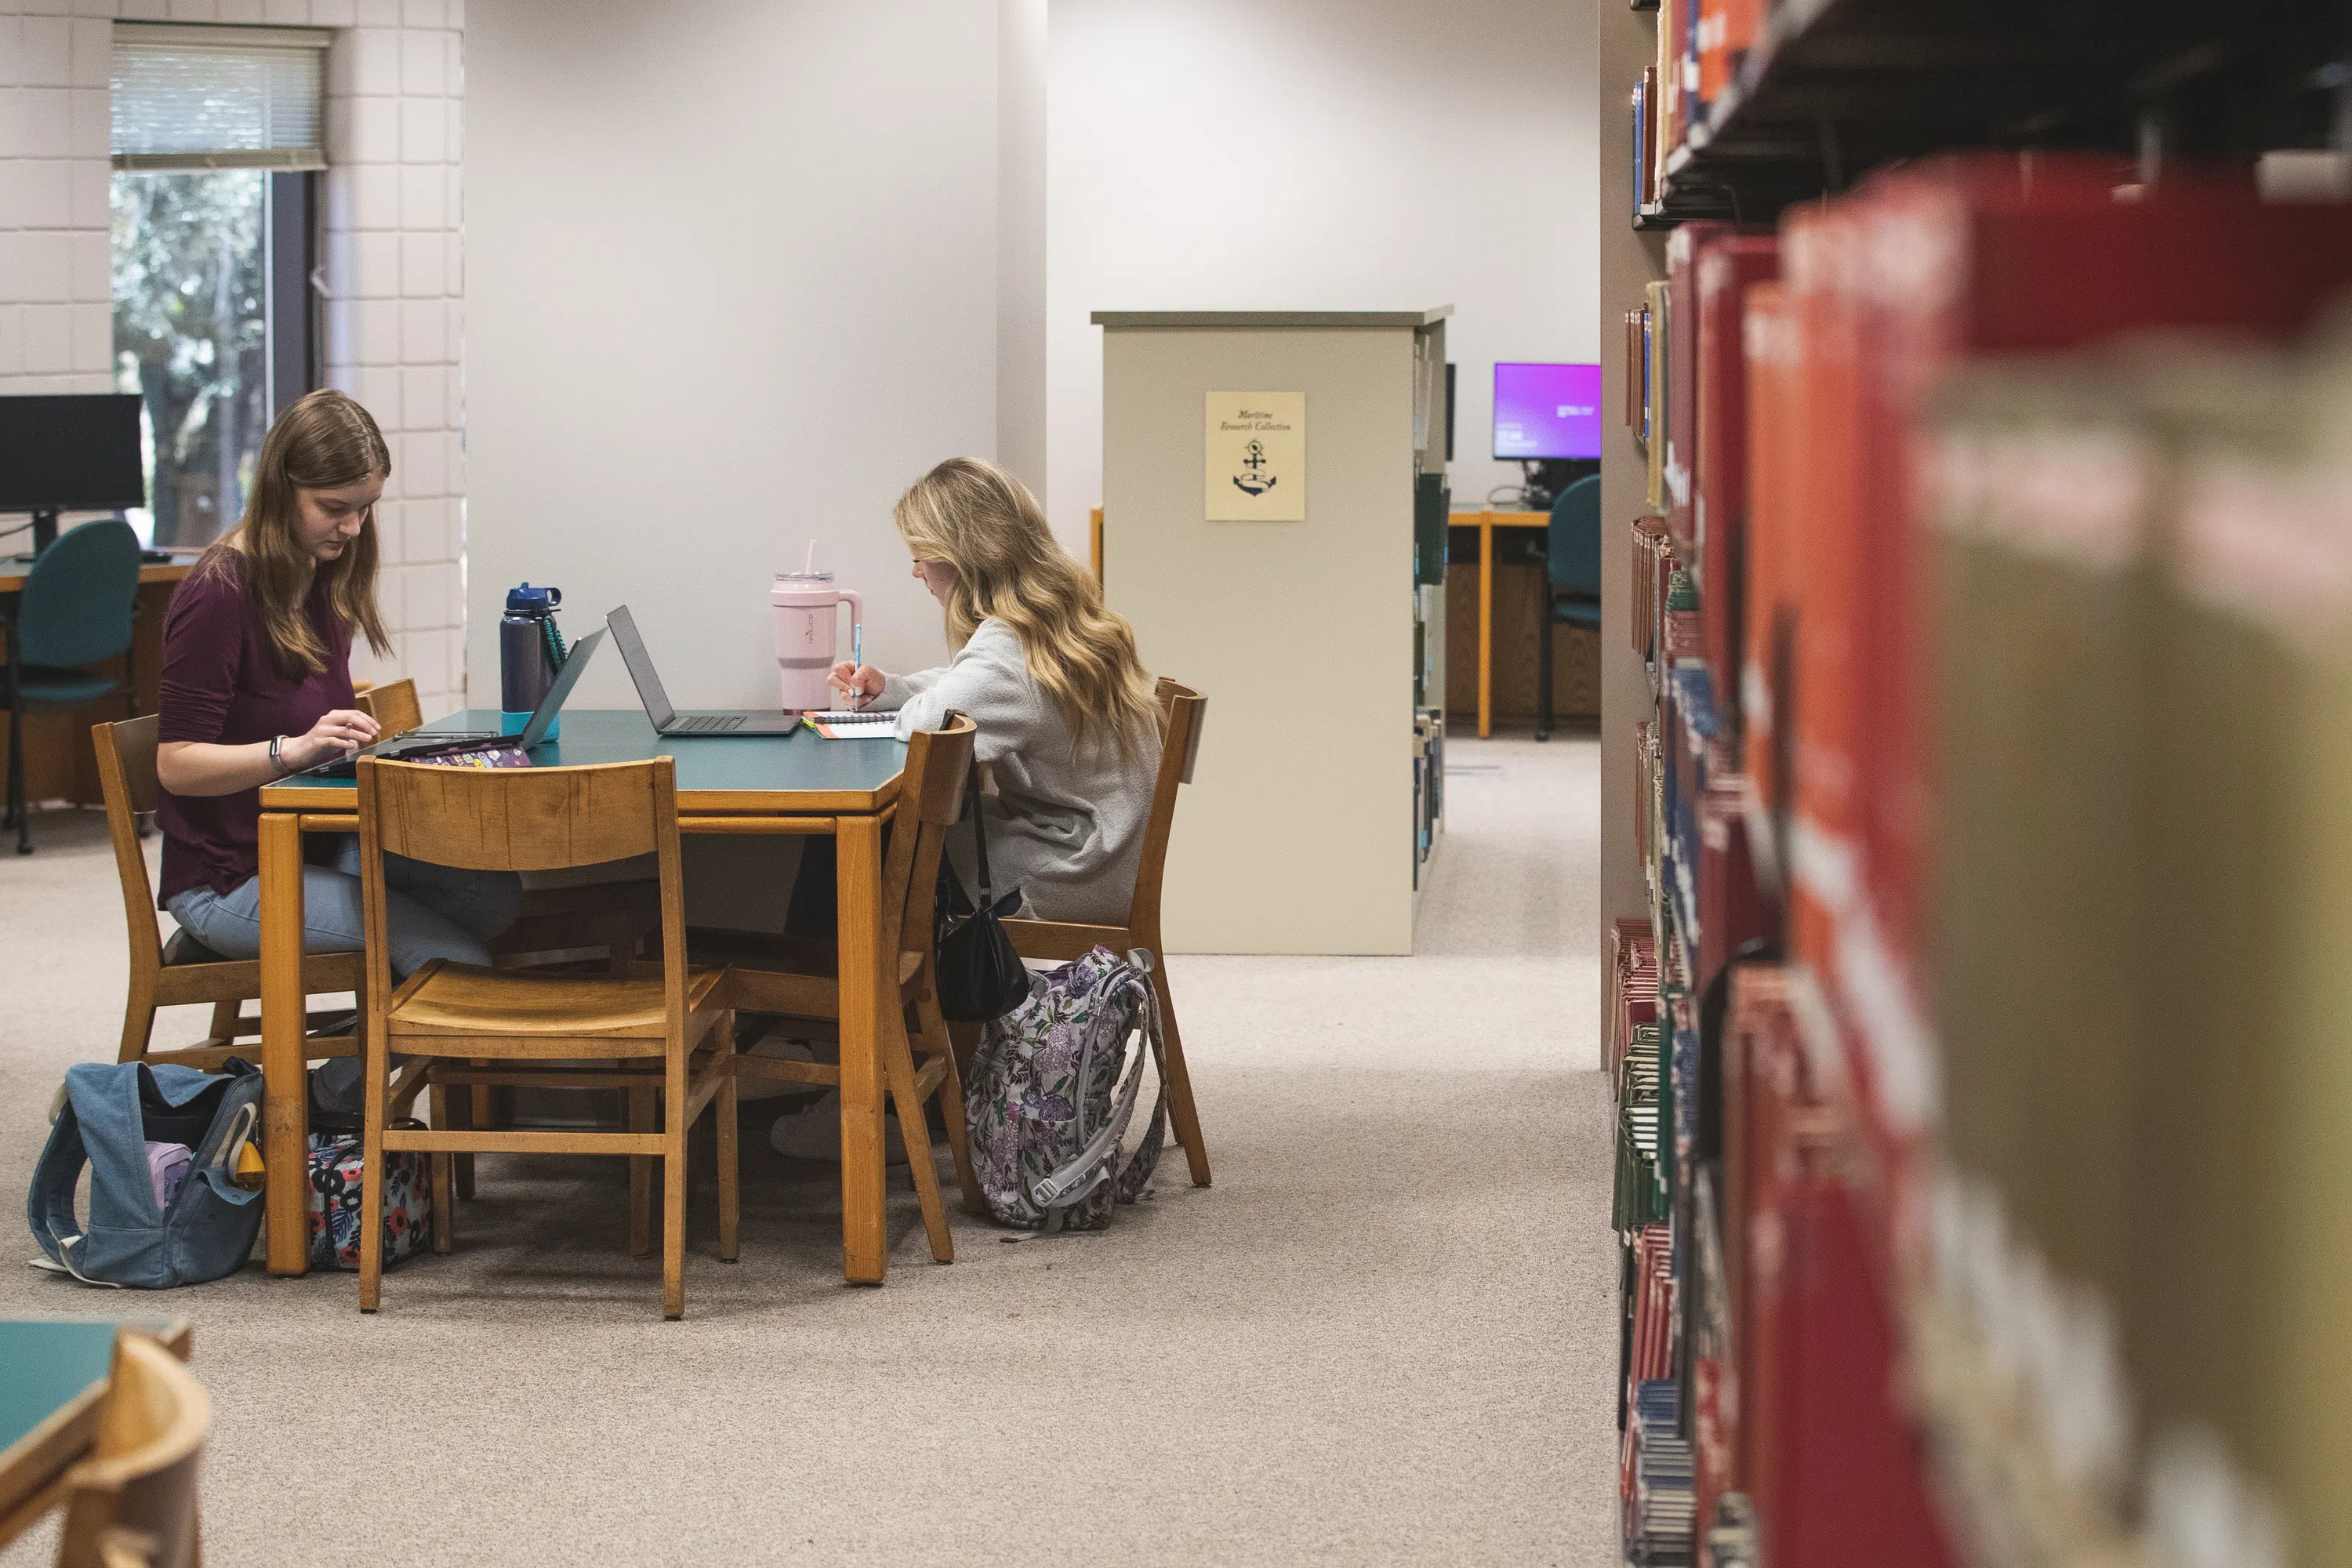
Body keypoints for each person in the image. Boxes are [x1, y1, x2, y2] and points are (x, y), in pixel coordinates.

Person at [154, 389, 519, 977]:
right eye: (334, 507)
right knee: (457, 961)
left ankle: (380, 1029)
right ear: (280, 488)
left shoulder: (318, 570)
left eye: (366, 506)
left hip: (313, 844)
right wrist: (291, 753)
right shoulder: (217, 594)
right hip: (229, 879)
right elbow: (175, 765)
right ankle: (320, 1075)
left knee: (492, 898)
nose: (352, 526)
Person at [825, 456, 1164, 927]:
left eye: (919, 556)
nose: (916, 572)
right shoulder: (1055, 623)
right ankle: (856, 997)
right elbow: (968, 682)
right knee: (905, 834)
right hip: (1101, 851)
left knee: (847, 849)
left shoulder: (1009, 647)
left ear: (960, 558)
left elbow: (931, 722)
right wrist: (894, 689)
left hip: (1067, 872)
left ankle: (825, 995)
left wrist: (904, 706)